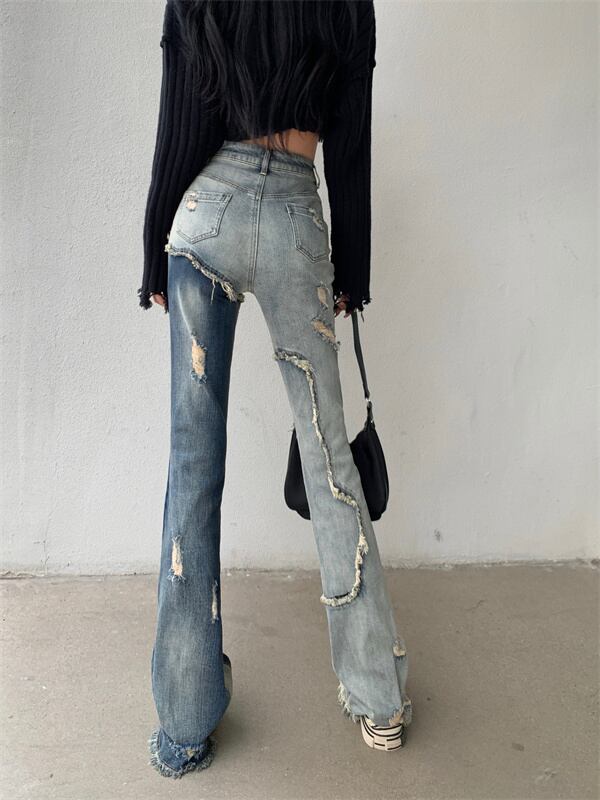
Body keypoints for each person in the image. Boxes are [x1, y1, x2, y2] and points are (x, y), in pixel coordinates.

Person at [139, 0, 412, 778]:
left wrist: (154, 249)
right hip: (295, 212)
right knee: (330, 464)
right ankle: (380, 699)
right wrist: (353, 268)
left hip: (206, 214)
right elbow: (350, 142)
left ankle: (184, 725)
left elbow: (180, 119)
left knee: (192, 466)